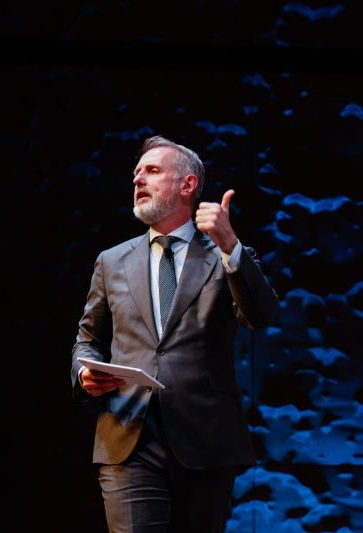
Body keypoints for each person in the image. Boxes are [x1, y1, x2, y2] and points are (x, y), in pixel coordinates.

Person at [71, 136, 278, 533]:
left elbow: (260, 316)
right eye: (136, 173)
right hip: (128, 435)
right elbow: (88, 340)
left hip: (206, 438)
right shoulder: (111, 261)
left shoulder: (225, 255)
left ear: (187, 185)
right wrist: (84, 373)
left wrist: (230, 245)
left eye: (151, 171)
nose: (138, 180)